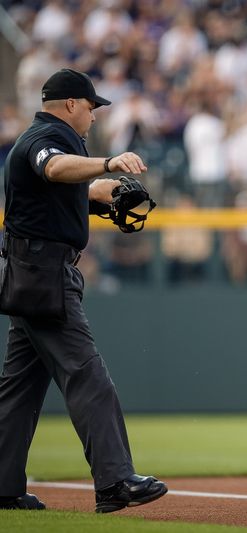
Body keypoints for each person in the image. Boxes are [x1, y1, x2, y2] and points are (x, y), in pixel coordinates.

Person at [0, 68, 167, 512]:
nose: (93, 117)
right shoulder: (46, 138)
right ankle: (115, 482)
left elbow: (54, 188)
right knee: (87, 376)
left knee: (19, 388)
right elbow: (53, 167)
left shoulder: (50, 137)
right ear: (71, 104)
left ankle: (2, 486)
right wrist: (108, 163)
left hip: (31, 270)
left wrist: (95, 192)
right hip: (44, 273)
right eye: (91, 107)